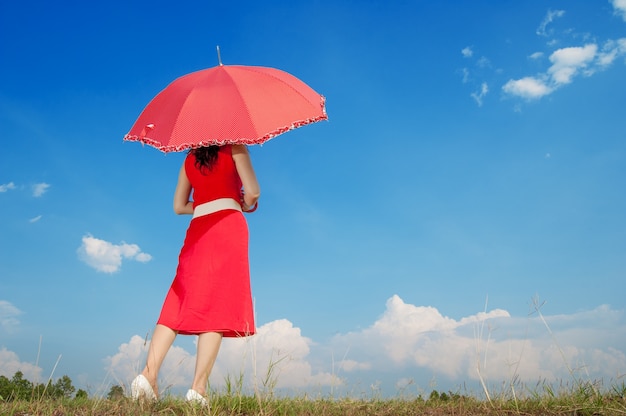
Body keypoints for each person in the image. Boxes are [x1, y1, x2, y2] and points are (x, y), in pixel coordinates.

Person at [130, 144, 260, 406]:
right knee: (216, 303)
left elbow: (179, 206)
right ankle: (197, 389)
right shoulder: (236, 148)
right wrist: (242, 201)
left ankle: (148, 375)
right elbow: (254, 191)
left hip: (198, 228)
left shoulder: (189, 160)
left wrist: (203, 202)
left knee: (179, 297)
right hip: (228, 226)